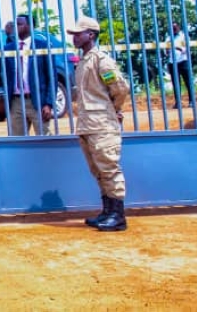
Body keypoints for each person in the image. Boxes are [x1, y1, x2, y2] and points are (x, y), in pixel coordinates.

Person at [68, 16, 130, 232]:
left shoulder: (101, 60)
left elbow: (120, 89)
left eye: (78, 33)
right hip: (87, 124)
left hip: (103, 124)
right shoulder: (83, 61)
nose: (74, 37)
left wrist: (114, 109)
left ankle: (118, 216)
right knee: (98, 170)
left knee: (110, 168)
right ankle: (107, 211)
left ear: (91, 35)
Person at [3, 14, 55, 136]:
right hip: (16, 102)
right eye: (14, 24)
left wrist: (48, 103)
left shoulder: (42, 46)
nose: (15, 27)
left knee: (44, 140)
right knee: (17, 142)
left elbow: (51, 77)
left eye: (19, 24)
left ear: (29, 26)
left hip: (37, 101)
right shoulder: (8, 48)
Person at [168, 22, 194, 108]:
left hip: (183, 61)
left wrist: (175, 47)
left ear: (178, 27)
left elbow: (185, 49)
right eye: (172, 27)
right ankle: (178, 103)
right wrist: (167, 50)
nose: (174, 29)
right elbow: (166, 51)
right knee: (176, 83)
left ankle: (191, 101)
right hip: (172, 62)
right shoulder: (168, 38)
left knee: (188, 82)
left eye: (175, 27)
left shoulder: (184, 37)